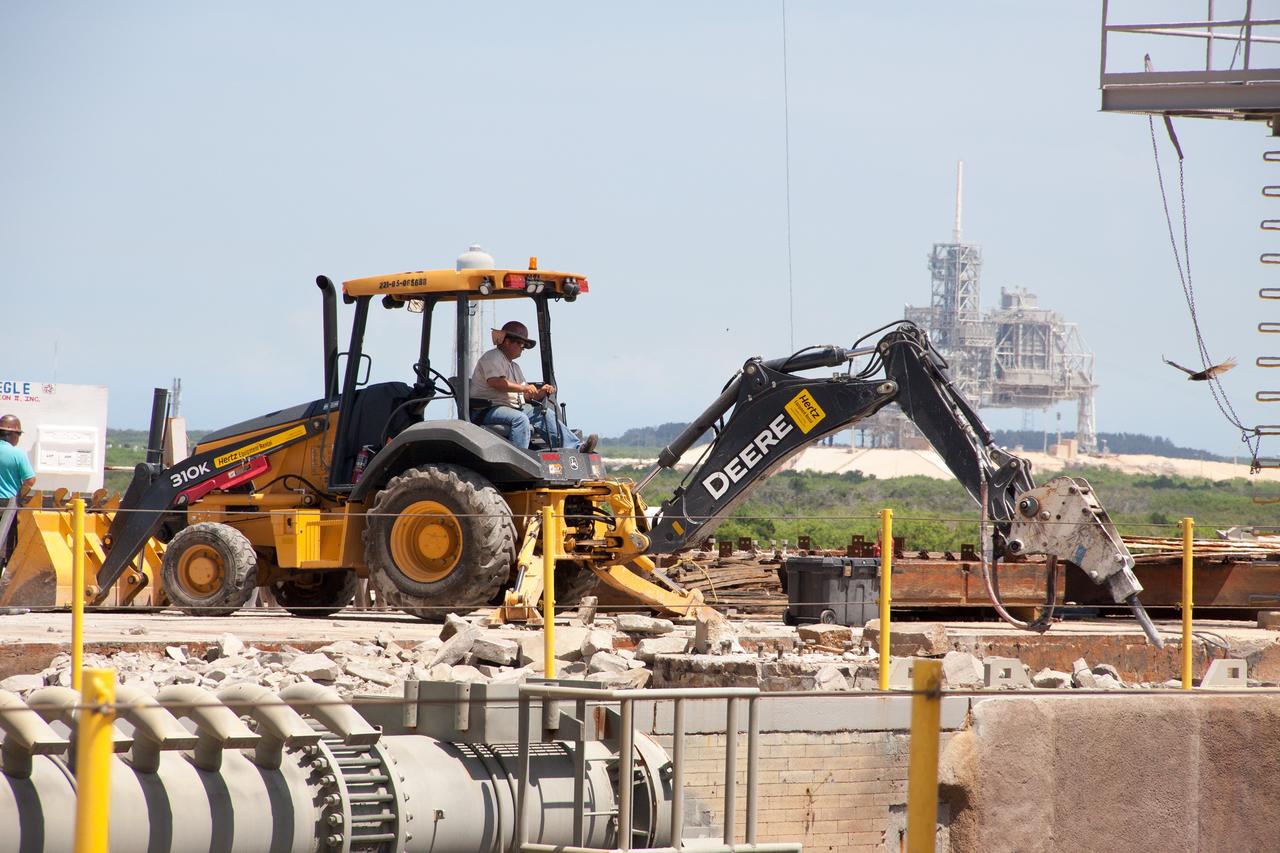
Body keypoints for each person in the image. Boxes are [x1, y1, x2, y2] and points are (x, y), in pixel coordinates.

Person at [469, 321, 598, 452]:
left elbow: (526, 396)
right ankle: (520, 460)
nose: (522, 348)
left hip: (511, 407)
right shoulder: (492, 357)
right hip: (486, 409)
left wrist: (541, 392)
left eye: (524, 345)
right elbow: (496, 383)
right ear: (507, 341)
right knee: (520, 419)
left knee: (544, 413)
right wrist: (524, 388)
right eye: (520, 343)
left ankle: (576, 448)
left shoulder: (514, 367)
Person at [0, 415, 35, 565]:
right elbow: (30, 480)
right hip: (8, 503)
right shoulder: (17, 454)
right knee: (5, 542)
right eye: (18, 434)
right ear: (11, 434)